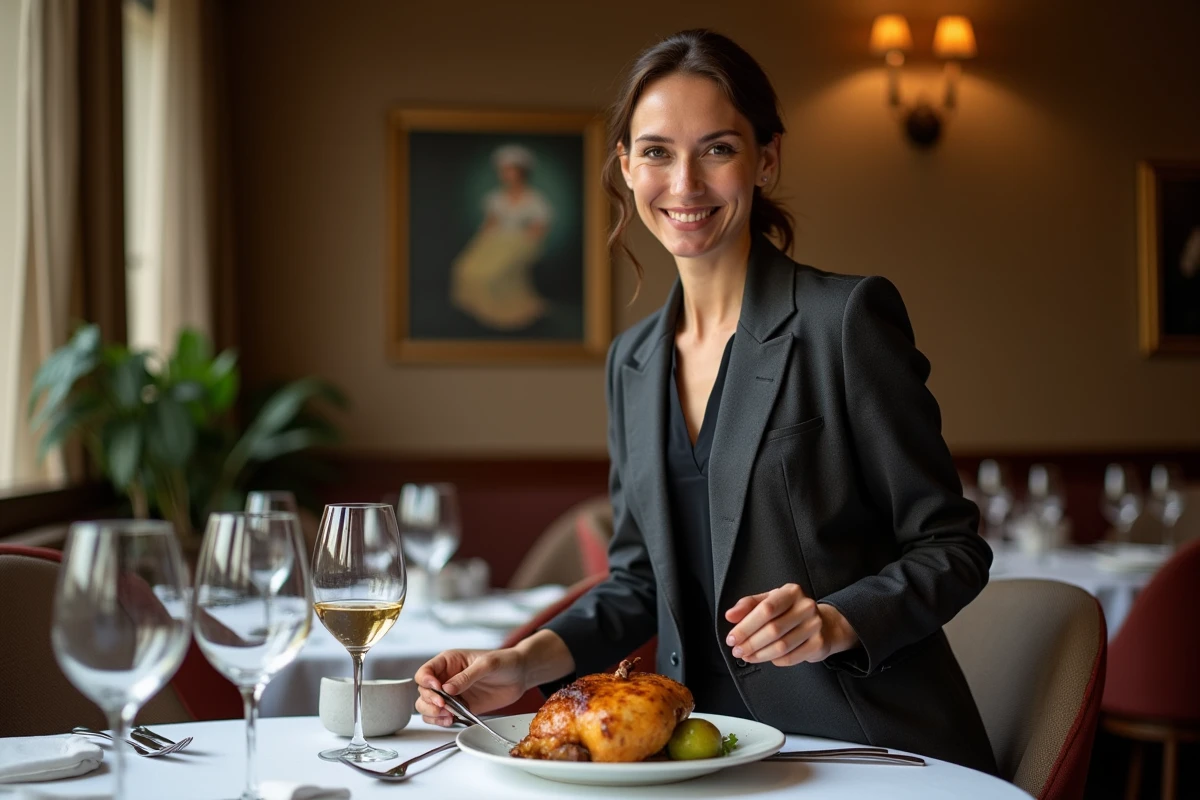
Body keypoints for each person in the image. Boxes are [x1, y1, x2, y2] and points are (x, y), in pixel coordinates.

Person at [416, 29, 997, 774]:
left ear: (767, 158)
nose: (685, 183)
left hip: (861, 742)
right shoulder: (632, 362)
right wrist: (522, 662)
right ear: (627, 167)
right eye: (657, 152)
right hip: (699, 748)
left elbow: (952, 548)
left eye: (717, 149)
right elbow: (638, 583)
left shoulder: (845, 321)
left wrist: (835, 620)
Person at [450, 143, 552, 330]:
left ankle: (506, 312)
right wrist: (481, 242)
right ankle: (481, 310)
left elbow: (539, 228)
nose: (506, 175)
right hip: (495, 240)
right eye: (503, 171)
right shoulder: (495, 198)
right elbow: (490, 223)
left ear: (521, 172)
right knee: (465, 268)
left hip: (519, 242)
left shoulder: (534, 199)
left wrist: (521, 242)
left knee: (492, 273)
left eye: (510, 170)